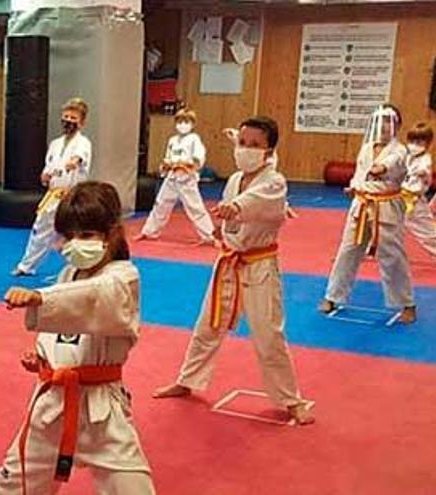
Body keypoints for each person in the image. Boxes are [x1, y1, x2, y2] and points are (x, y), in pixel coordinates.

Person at [0, 182, 155, 494]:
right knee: (14, 483)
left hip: (102, 410)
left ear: (113, 233)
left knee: (133, 488)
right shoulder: (69, 274)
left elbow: (95, 298)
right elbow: (63, 332)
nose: (75, 244)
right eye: (69, 236)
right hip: (52, 403)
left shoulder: (123, 278)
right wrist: (43, 358)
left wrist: (41, 297)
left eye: (87, 235)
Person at [152, 116, 314, 426]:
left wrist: (236, 207)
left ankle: (291, 400)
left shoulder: (274, 181)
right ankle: (187, 380)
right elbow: (231, 213)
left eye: (255, 145)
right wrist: (221, 224)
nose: (246, 149)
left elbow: (256, 203)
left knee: (268, 335)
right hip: (229, 261)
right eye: (242, 143)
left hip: (259, 266)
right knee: (206, 325)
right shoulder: (235, 179)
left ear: (269, 151)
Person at [319, 104, 416, 323]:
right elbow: (359, 173)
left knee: (392, 257)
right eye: (379, 122)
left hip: (386, 207)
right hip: (361, 204)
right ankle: (332, 296)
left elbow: (390, 165)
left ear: (396, 126)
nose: (382, 128)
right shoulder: (366, 148)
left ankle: (407, 304)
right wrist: (354, 186)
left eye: (387, 123)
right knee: (348, 251)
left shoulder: (399, 151)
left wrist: (379, 168)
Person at [13, 98, 93, 276]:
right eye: (66, 116)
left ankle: (85, 266)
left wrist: (73, 161)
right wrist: (45, 176)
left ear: (82, 122)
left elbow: (78, 159)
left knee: (76, 234)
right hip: (53, 194)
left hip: (72, 196)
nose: (68, 121)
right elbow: (48, 168)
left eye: (73, 117)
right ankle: (27, 266)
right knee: (40, 228)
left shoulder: (83, 143)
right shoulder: (55, 144)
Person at [135, 109, 215, 244]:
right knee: (161, 204)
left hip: (186, 178)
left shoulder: (194, 139)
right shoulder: (172, 140)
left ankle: (209, 236)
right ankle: (149, 231)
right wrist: (166, 165)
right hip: (171, 177)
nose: (182, 125)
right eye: (180, 121)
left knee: (195, 207)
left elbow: (198, 158)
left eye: (186, 122)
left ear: (192, 124)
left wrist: (187, 165)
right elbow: (168, 157)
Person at [400, 122, 436, 261]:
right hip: (399, 197)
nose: (415, 144)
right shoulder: (405, 156)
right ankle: (372, 249)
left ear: (427, 144)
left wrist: (424, 173)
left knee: (425, 229)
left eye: (420, 141)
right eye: (413, 141)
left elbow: (427, 174)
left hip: (414, 200)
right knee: (386, 225)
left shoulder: (425, 159)